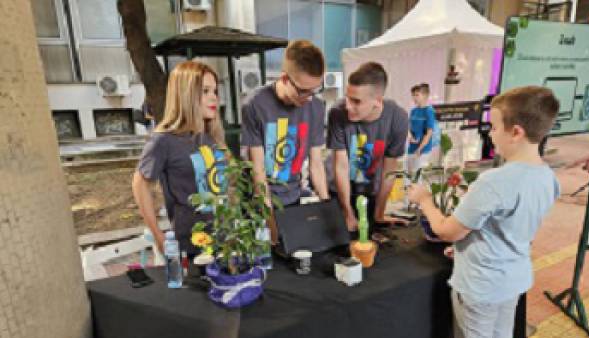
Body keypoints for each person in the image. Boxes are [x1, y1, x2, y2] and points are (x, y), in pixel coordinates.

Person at [408, 86, 560, 338]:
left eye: (493, 126)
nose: (489, 134)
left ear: (516, 131)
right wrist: (467, 248)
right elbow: (505, 229)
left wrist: (425, 200)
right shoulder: (548, 177)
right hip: (512, 278)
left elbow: (447, 229)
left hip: (480, 286)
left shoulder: (495, 182)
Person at [132, 61, 227, 256]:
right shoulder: (164, 140)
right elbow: (140, 186)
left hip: (223, 238)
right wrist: (158, 237)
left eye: (215, 91)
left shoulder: (210, 135)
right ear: (186, 95)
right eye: (205, 91)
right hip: (191, 246)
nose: (214, 98)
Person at [240, 40, 329, 239]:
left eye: (315, 89)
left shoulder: (316, 107)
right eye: (303, 91)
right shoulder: (255, 105)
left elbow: (316, 165)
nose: (309, 97)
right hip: (260, 205)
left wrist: (327, 210)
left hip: (294, 200)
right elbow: (258, 171)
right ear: (285, 78)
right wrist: (270, 223)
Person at [327, 62, 409, 231]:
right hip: (339, 192)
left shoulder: (398, 117)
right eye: (348, 97)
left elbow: (389, 171)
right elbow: (341, 167)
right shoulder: (337, 113)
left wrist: (379, 213)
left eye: (356, 101)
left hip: (371, 192)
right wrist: (347, 213)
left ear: (377, 101)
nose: (348, 106)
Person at [407, 83, 437, 174]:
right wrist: (410, 137)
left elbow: (428, 133)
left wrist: (420, 148)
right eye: (413, 95)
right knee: (409, 175)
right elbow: (408, 127)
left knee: (418, 176)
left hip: (423, 150)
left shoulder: (429, 111)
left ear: (425, 96)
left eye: (417, 95)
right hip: (411, 148)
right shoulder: (413, 111)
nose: (414, 98)